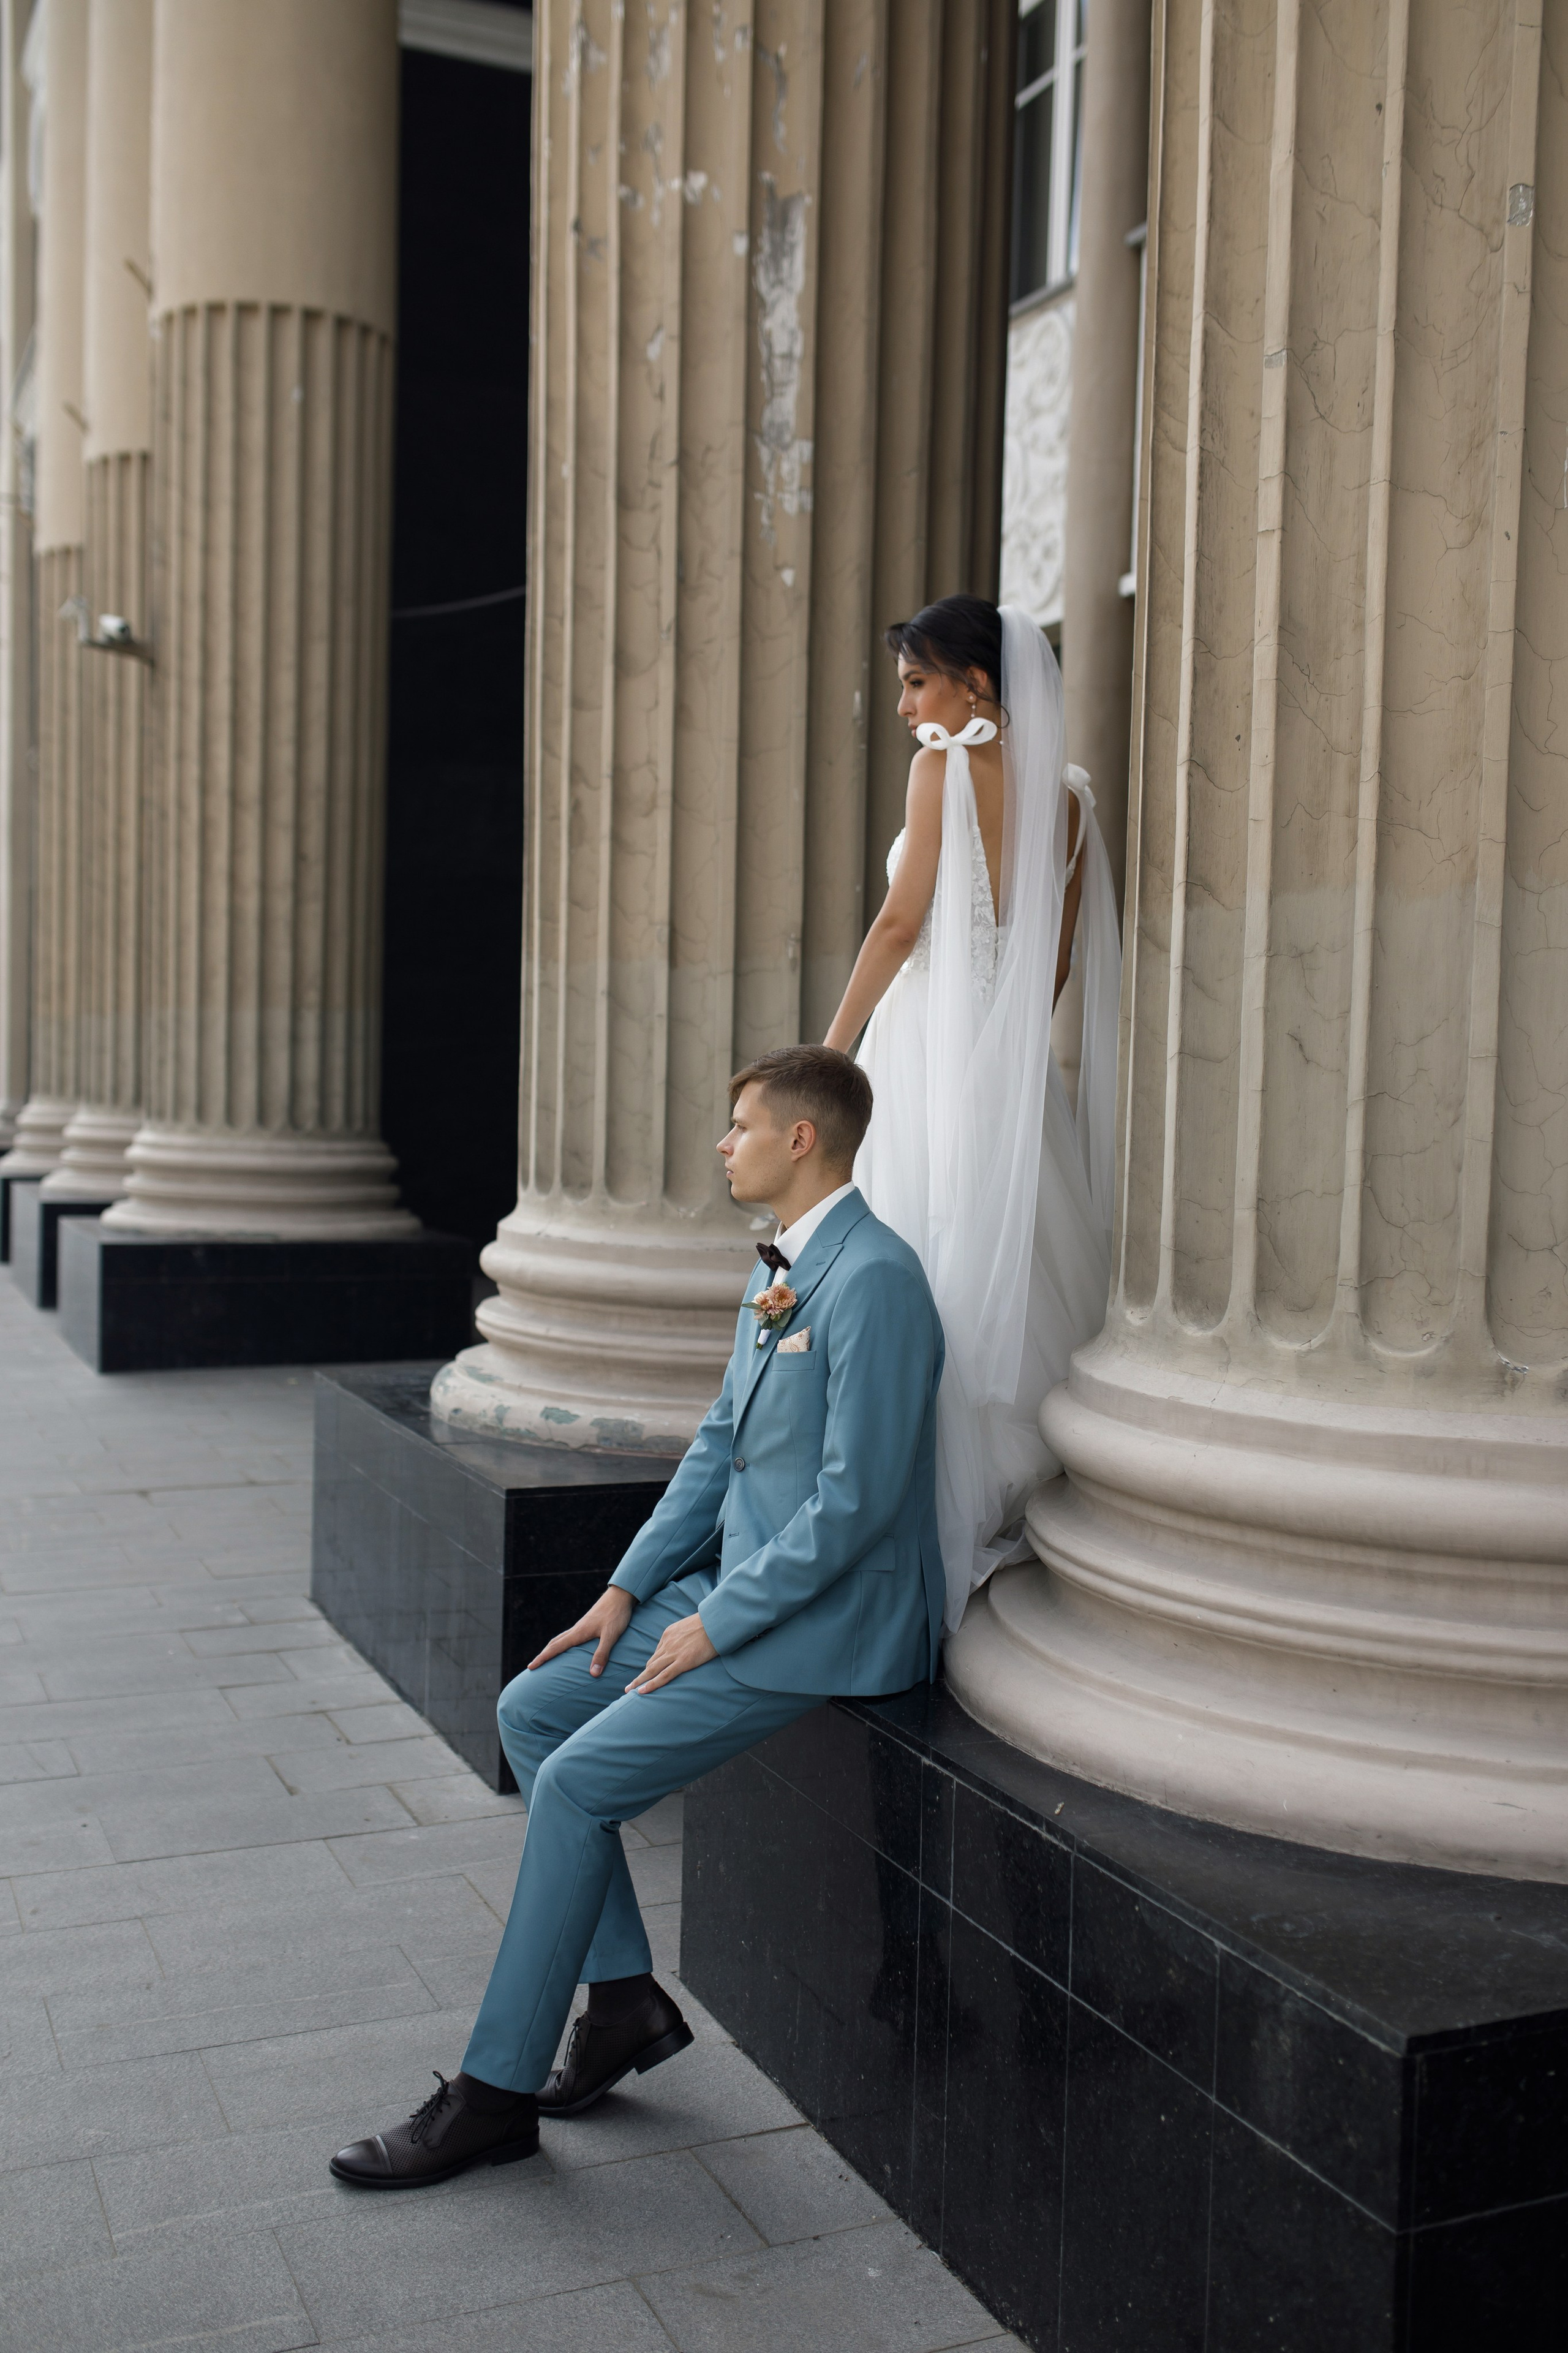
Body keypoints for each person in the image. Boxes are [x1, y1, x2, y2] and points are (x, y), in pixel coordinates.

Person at [328, 1045, 945, 2189]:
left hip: (828, 1618)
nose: (725, 1143)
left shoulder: (878, 1281)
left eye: (741, 1125)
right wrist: (625, 1587)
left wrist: (719, 1622)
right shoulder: (779, 1270)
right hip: (739, 1592)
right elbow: (716, 1447)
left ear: (800, 1139)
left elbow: (858, 1502)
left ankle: (493, 2095)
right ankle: (619, 2001)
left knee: (572, 1783)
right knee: (531, 1710)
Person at [823, 595, 1120, 1636]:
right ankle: (1013, 1493)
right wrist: (999, 1053)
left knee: (916, 1258)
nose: (908, 707)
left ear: (976, 683)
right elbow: (1063, 959)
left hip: (919, 1049)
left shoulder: (942, 767)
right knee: (1014, 1265)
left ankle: (899, 1514)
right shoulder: (1072, 799)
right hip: (1006, 1067)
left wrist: (835, 1050)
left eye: (917, 681)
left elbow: (901, 924)